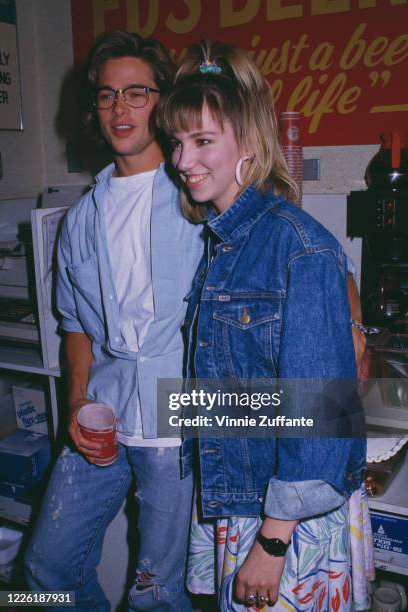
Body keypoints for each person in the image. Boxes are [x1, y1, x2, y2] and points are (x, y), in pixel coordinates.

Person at [157, 40, 374, 611]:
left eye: (203, 141)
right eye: (178, 142)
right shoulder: (226, 243)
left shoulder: (296, 247)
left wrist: (271, 544)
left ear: (249, 146)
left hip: (288, 517)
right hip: (247, 493)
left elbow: (324, 414)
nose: (182, 161)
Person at [24, 31, 203, 611]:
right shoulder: (81, 216)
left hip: (178, 416)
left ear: (164, 100)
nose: (119, 108)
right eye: (106, 96)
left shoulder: (200, 193)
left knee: (156, 591)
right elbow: (75, 324)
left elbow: (301, 255)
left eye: (136, 92)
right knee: (46, 569)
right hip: (104, 407)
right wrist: (76, 403)